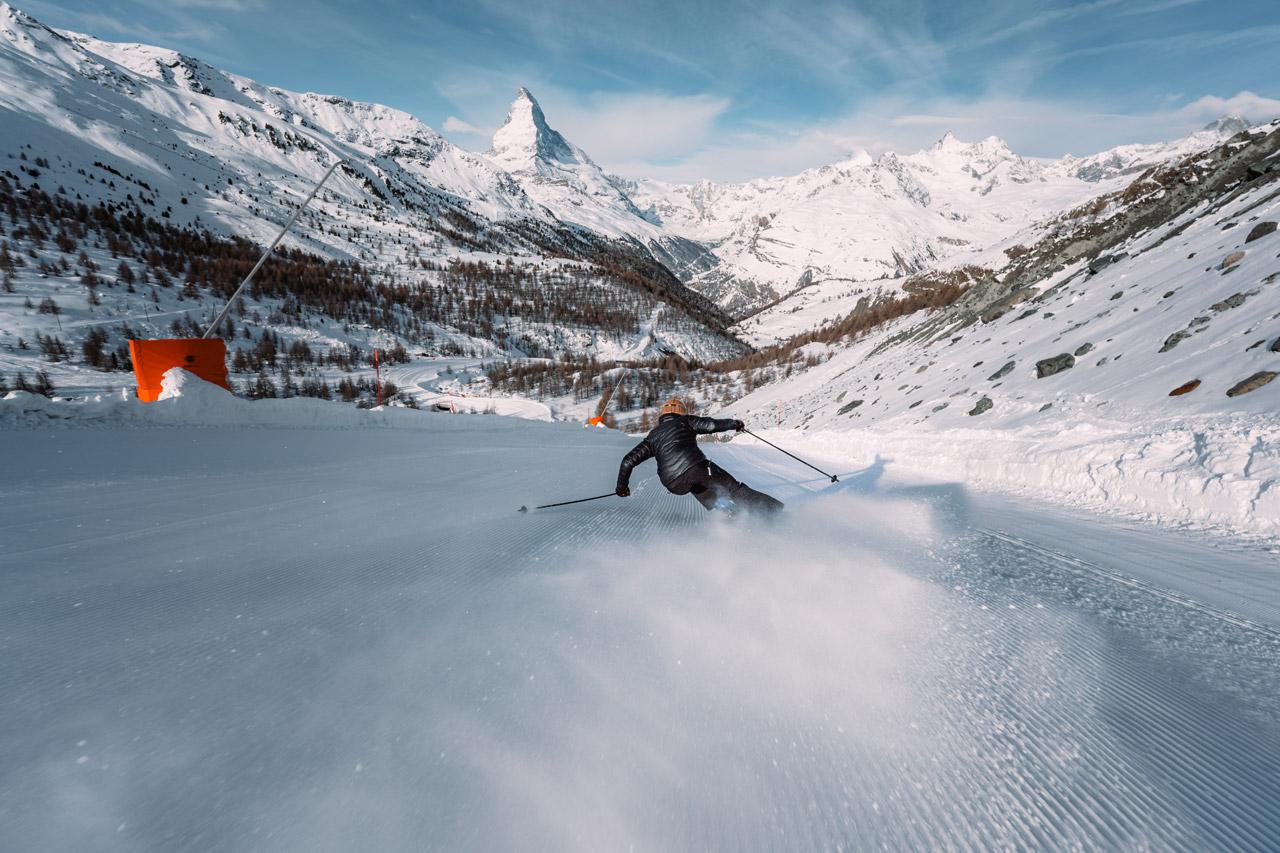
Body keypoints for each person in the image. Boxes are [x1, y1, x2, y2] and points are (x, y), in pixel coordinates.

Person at [616, 398, 784, 516]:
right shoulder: (685, 421)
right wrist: (733, 424)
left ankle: (734, 519)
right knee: (734, 489)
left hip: (673, 483)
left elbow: (627, 461)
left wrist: (622, 488)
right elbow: (711, 425)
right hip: (695, 467)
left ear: (662, 415)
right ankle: (775, 513)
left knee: (704, 492)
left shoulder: (652, 437)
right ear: (681, 413)